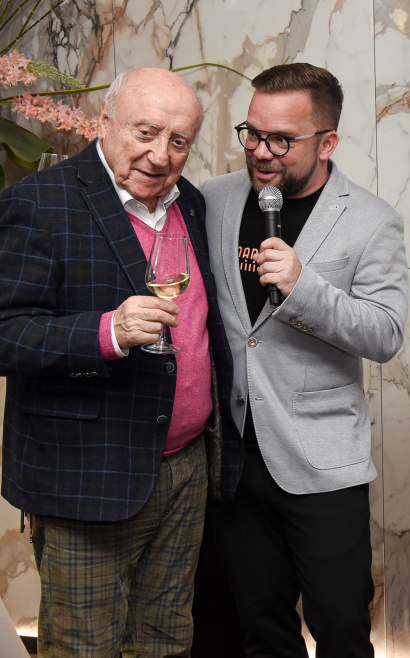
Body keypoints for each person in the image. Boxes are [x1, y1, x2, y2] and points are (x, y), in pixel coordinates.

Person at [0, 67, 240, 656]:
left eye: (178, 141)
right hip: (88, 472)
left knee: (168, 640)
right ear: (104, 123)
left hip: (184, 469)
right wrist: (107, 332)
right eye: (145, 132)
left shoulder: (192, 205)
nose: (160, 155)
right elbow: (6, 333)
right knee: (85, 646)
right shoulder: (39, 202)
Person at [199, 63, 408, 657]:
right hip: (233, 460)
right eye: (252, 133)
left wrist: (303, 287)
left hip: (321, 461)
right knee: (262, 629)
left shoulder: (371, 220)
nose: (261, 152)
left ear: (327, 142)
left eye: (282, 140)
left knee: (341, 627)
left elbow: (386, 333)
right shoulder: (213, 199)